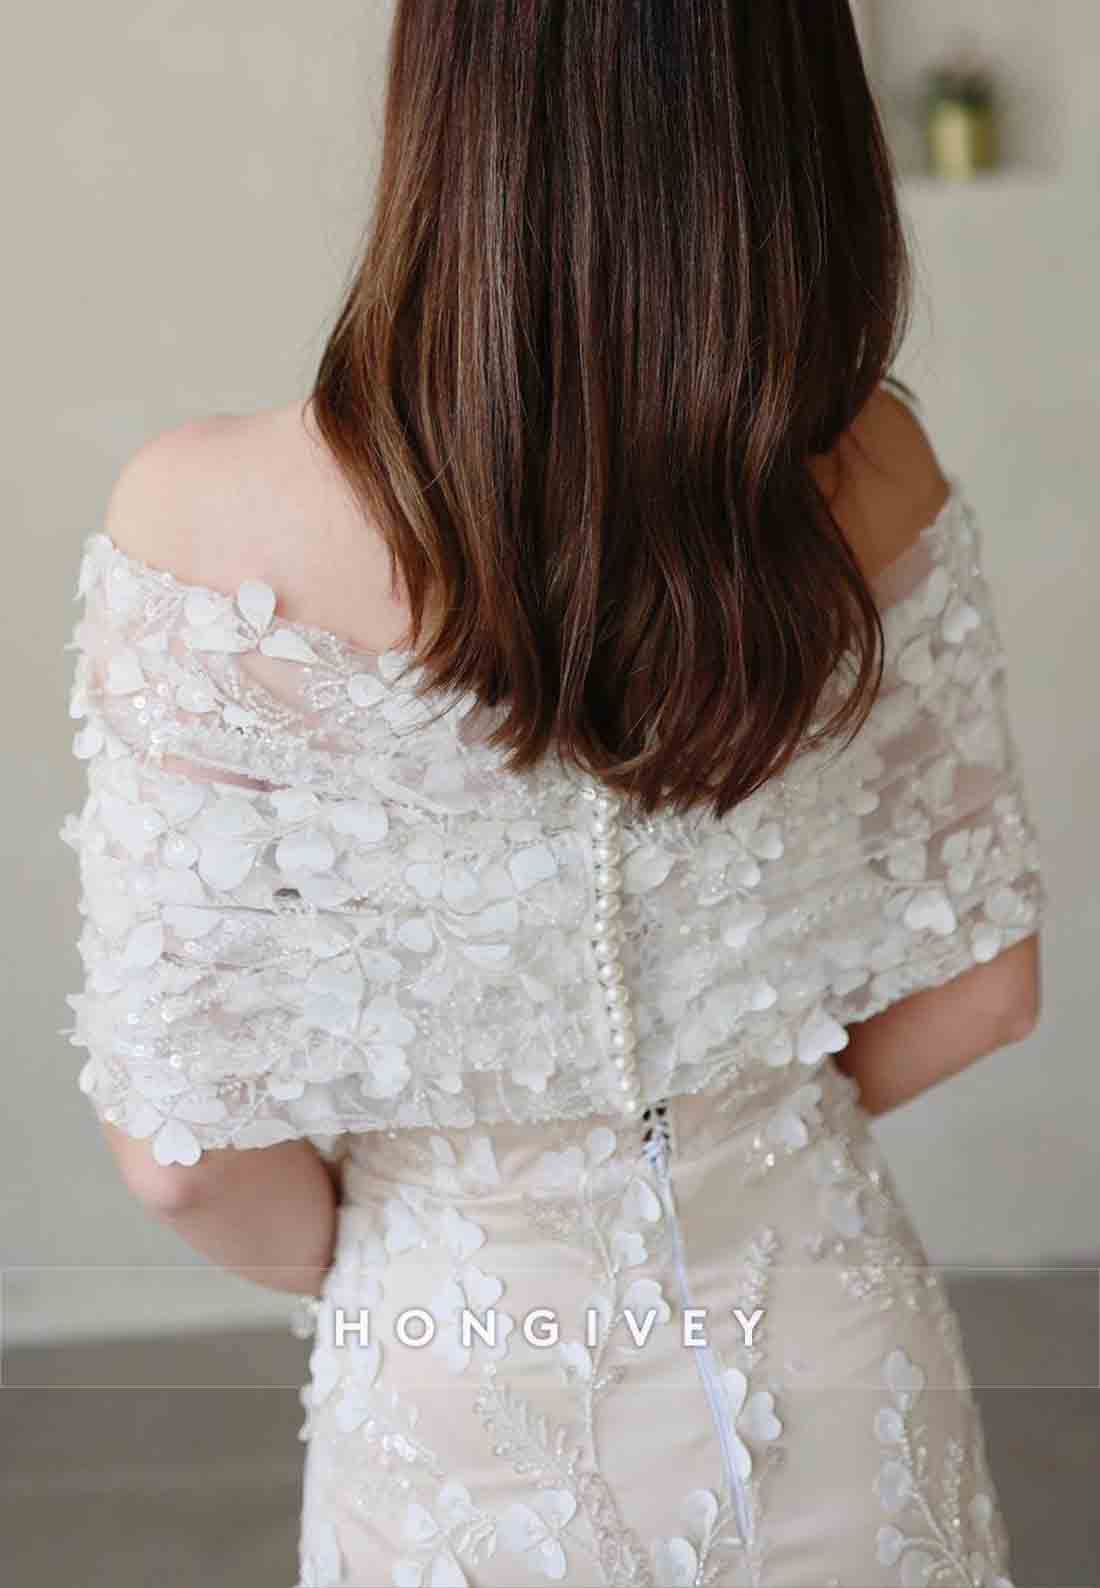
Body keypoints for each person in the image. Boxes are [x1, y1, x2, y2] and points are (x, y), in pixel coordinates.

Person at [60, 4, 1045, 1585]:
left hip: (456, 1398)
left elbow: (181, 1155)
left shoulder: (202, 521)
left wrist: (422, 1248)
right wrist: (742, 1148)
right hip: (827, 1344)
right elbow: (987, 989)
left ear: (449, 97)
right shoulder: (876, 469)